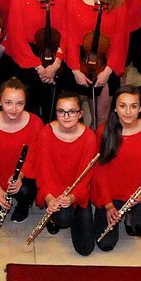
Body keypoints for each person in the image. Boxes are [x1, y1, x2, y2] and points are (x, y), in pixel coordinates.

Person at [92, 86, 141, 251]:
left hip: (136, 194)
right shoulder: (104, 132)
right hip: (110, 196)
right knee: (106, 244)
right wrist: (108, 204)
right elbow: (98, 172)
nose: (128, 112)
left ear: (140, 108)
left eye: (133, 106)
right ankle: (111, 213)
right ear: (115, 108)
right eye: (122, 106)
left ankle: (129, 216)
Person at [23, 91, 97, 255]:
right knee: (63, 219)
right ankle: (56, 218)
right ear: (56, 113)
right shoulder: (45, 133)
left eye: (72, 111)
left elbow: (85, 178)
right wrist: (49, 197)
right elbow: (42, 172)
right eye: (61, 111)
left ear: (80, 114)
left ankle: (74, 212)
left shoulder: (89, 138)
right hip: (53, 189)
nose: (66, 116)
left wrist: (72, 198)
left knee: (85, 249)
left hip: (77, 192)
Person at [63, 0, 130, 127]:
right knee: (71, 116)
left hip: (105, 65)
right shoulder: (72, 1)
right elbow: (69, 38)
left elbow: (120, 41)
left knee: (100, 117)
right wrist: (76, 70)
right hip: (77, 64)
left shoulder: (118, 3)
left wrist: (107, 72)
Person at [3, 0, 67, 118]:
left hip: (54, 57)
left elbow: (65, 33)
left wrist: (55, 65)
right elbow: (17, 38)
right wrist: (40, 69)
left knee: (54, 108)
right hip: (26, 59)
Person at [0, 79, 42, 224]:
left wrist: (20, 176)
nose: (14, 109)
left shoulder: (36, 123)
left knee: (26, 191)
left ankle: (23, 205)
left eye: (20, 103)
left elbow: (33, 157)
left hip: (23, 175)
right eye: (8, 102)